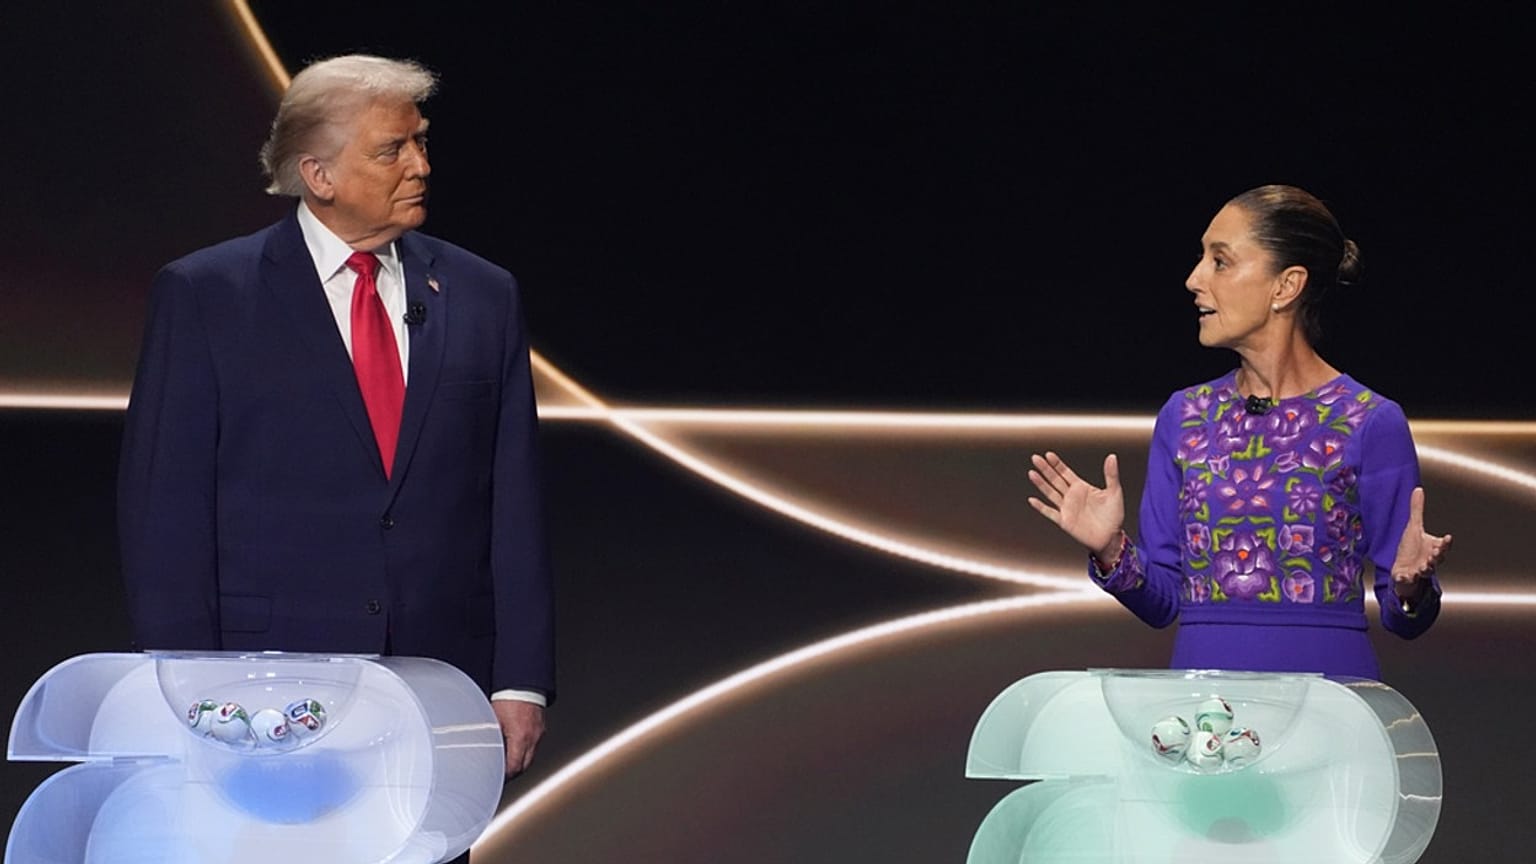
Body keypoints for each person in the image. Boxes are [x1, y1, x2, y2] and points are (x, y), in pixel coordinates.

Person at [118, 54, 552, 795]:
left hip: (439, 686)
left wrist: (521, 681)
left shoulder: (482, 294)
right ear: (318, 175)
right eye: (392, 149)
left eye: (420, 142)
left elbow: (513, 501)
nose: (420, 165)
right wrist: (193, 696)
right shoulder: (207, 296)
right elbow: (166, 511)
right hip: (265, 694)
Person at [1026, 184, 1451, 679]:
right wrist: (1110, 549)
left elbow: (1406, 620)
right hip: (1208, 713)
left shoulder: (1368, 420)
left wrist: (1409, 587)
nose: (1193, 279)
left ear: (1285, 286)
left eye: (1220, 261)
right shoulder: (1185, 416)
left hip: (1332, 704)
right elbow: (1162, 602)